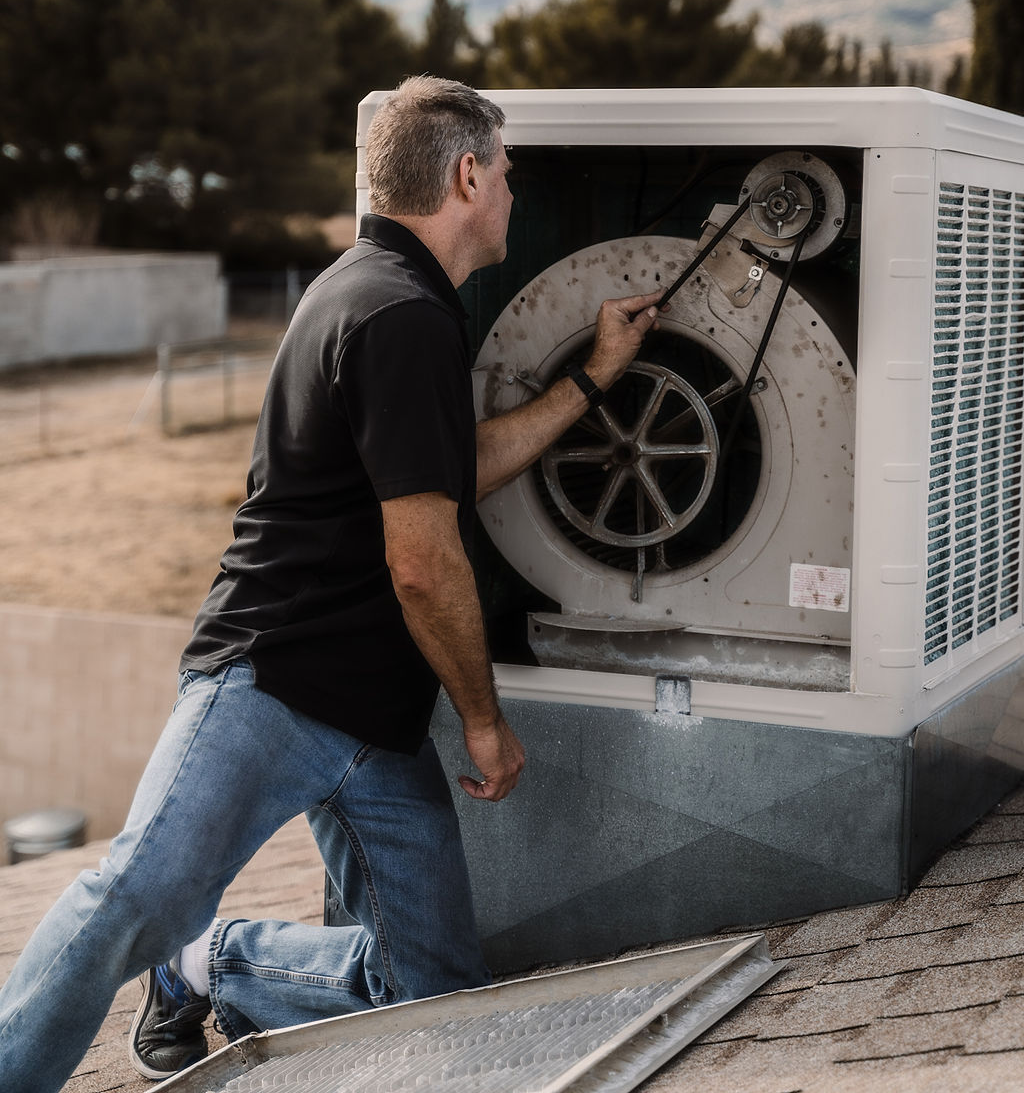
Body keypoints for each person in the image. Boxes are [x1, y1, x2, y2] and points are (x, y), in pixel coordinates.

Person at [0, 77, 661, 1091]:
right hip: (272, 686)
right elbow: (421, 556)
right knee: (138, 888)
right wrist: (482, 720)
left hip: (371, 724)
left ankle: (208, 964)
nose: (514, 195)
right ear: (468, 173)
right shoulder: (397, 314)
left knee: (432, 991)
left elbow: (443, 468)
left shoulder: (383, 293)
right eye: (510, 175)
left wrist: (590, 381)